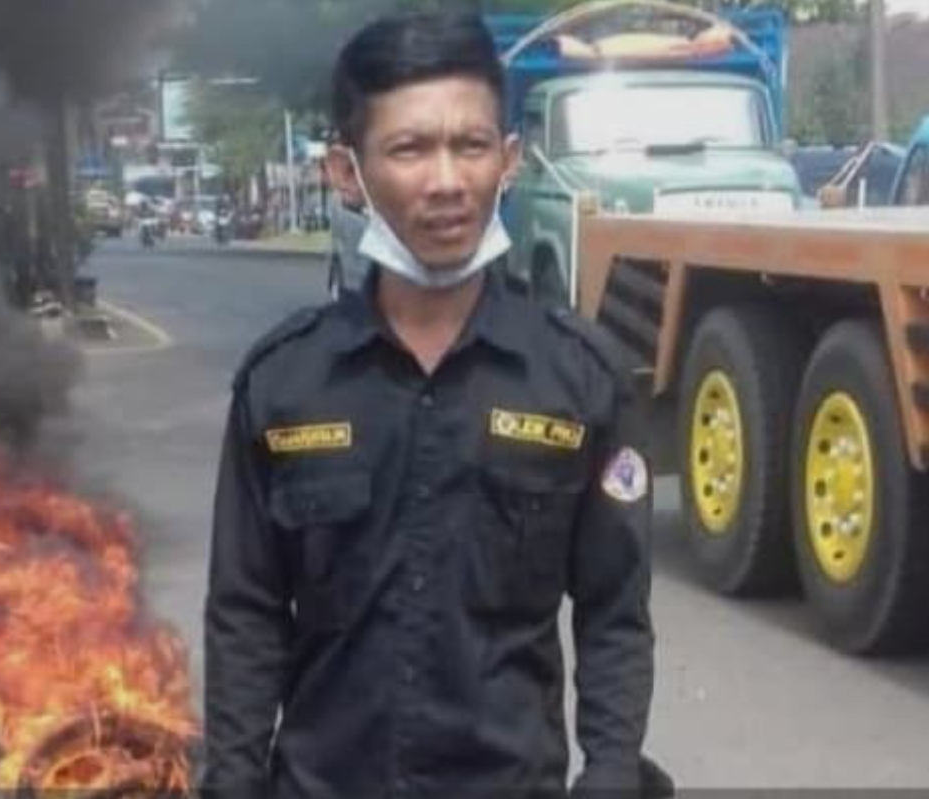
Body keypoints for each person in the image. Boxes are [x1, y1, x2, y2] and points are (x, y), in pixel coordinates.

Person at [202, 11, 668, 799]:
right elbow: (245, 614)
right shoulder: (282, 385)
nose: (447, 181)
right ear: (346, 172)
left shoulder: (580, 381)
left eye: (471, 145)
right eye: (410, 148)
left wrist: (612, 771)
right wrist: (233, 780)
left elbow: (614, 611)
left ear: (509, 160)